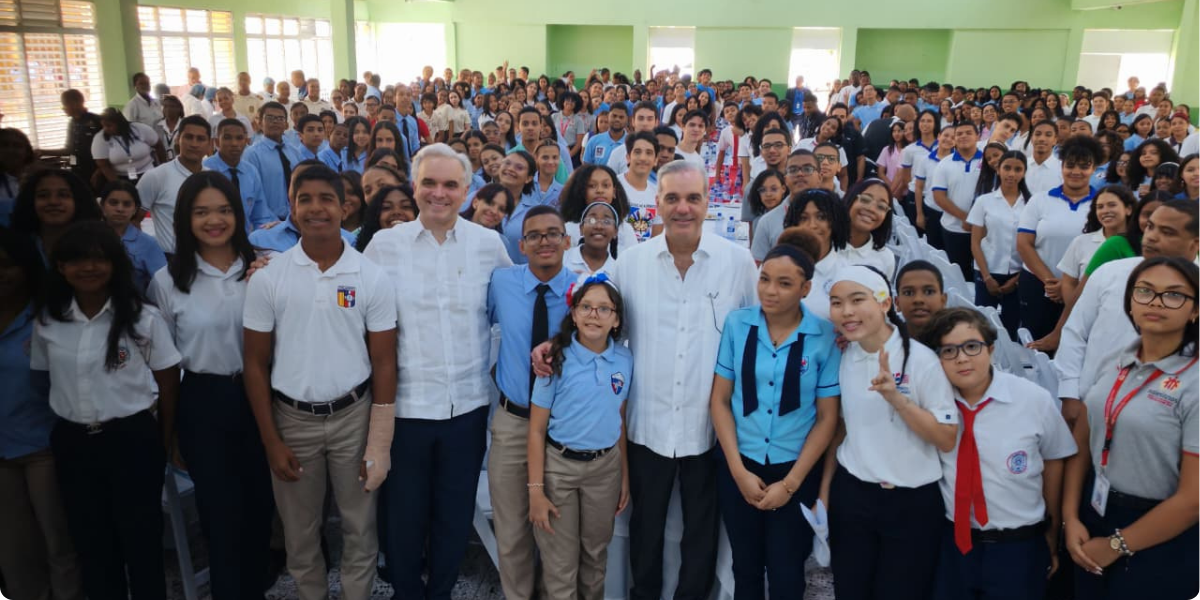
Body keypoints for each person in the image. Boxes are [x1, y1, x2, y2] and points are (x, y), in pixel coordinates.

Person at [535, 159, 757, 600]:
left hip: (708, 427)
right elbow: (592, 313)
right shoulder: (631, 263)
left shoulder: (736, 263)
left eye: (692, 198)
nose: (682, 208)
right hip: (646, 427)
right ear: (656, 204)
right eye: (672, 198)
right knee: (646, 529)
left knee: (701, 532)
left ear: (707, 203)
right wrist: (552, 345)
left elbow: (757, 329)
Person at [363, 144, 513, 600]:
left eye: (450, 184)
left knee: (453, 516)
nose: (439, 193)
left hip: (466, 407)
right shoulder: (384, 246)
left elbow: (516, 303)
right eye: (429, 183)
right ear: (414, 187)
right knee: (404, 519)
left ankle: (442, 592)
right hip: (405, 409)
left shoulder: (488, 244)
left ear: (467, 191)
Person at [243, 165, 398, 600]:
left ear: (344, 206)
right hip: (292, 420)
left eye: (326, 199)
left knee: (360, 527)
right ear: (291, 209)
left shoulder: (370, 276)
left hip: (355, 417)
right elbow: (255, 364)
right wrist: (271, 440)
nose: (316, 208)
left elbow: (384, 361)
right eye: (304, 199)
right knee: (300, 532)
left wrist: (379, 441)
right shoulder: (269, 278)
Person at [32, 221, 181, 600]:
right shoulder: (49, 320)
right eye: (77, 260)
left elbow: (167, 382)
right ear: (61, 267)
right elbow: (43, 380)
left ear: (114, 264)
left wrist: (161, 440)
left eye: (99, 259)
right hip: (74, 442)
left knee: (142, 544)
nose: (89, 267)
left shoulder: (141, 318)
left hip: (130, 439)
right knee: (93, 546)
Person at [146, 172, 273, 600]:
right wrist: (173, 428)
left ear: (237, 214)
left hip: (261, 400)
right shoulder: (168, 282)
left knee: (260, 509)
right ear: (185, 219)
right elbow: (162, 365)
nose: (214, 220)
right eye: (201, 212)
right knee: (219, 516)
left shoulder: (264, 268)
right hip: (203, 402)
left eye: (223, 210)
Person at [709, 242, 841, 600]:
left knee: (786, 571)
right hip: (742, 464)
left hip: (795, 468)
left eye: (784, 283)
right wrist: (738, 471)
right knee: (745, 566)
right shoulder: (739, 325)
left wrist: (792, 483)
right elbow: (720, 400)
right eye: (764, 279)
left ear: (805, 289)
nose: (770, 290)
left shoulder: (823, 336)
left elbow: (828, 418)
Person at [1063, 257, 1198, 600]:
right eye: (1145, 291)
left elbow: (1193, 500)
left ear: (1195, 311)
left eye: (1174, 295)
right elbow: (1085, 437)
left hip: (1158, 533)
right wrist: (1070, 517)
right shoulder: (1119, 363)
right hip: (1093, 513)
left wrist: (1116, 545)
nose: (1155, 302)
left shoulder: (1194, 382)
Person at [823, 265, 958, 600]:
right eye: (837, 303)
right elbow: (841, 429)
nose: (847, 312)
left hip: (911, 504)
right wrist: (825, 492)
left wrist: (897, 400)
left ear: (884, 304)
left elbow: (945, 437)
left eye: (857, 300)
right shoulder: (844, 355)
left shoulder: (922, 361)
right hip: (853, 496)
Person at [921, 308, 1076, 600]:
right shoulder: (931, 404)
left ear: (990, 349)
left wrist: (1053, 528)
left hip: (1018, 544)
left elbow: (1055, 459)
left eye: (971, 346)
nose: (962, 358)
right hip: (954, 541)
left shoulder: (1033, 400)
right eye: (949, 351)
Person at [486, 205, 574, 600]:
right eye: (535, 235)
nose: (544, 241)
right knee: (511, 531)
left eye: (553, 233)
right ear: (521, 245)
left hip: (562, 427)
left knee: (556, 532)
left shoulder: (583, 292)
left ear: (567, 241)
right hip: (512, 421)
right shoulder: (501, 283)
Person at [528, 274, 632, 600]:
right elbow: (535, 429)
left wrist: (624, 476)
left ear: (616, 320)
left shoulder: (624, 361)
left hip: (605, 470)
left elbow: (619, 419)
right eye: (586, 306)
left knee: (595, 557)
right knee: (560, 566)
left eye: (604, 309)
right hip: (559, 469)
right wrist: (535, 491)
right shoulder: (554, 360)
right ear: (573, 314)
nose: (593, 315)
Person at [0, 226, 84, 600]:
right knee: (14, 552)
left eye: (6, 265)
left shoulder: (48, 317)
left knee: (59, 542)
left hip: (43, 447)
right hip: (2, 453)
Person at [1016, 135, 1102, 342]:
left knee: (1074, 346)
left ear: (1094, 169)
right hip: (1039, 285)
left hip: (1084, 291)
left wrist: (1068, 286)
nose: (1076, 171)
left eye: (1084, 166)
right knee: (1035, 344)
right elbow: (1024, 244)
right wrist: (1050, 282)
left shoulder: (1102, 204)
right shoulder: (1040, 200)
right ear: (1061, 166)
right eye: (1070, 165)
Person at [967, 150, 1031, 338]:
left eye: (1018, 169)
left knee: (1011, 328)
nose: (1011, 174)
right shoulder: (984, 201)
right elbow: (975, 242)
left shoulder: (1031, 203)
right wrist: (986, 277)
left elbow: (1033, 245)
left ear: (1024, 173)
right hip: (988, 270)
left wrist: (1018, 278)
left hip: (1017, 274)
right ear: (998, 170)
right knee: (982, 326)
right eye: (1007, 168)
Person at [136, 115, 211, 255]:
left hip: (208, 258)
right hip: (170, 260)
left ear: (209, 144)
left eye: (200, 139)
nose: (194, 144)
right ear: (178, 139)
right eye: (189, 137)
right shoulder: (156, 177)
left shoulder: (213, 178)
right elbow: (134, 220)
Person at [780, 189, 850, 320]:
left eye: (821, 217)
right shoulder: (776, 264)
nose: (812, 225)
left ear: (835, 222)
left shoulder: (847, 273)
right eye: (803, 218)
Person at [10, 170, 103, 261]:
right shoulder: (12, 247)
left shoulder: (99, 247)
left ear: (79, 201)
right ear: (30, 201)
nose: (53, 202)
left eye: (63, 195)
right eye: (43, 195)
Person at [931, 121, 984, 280]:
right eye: (959, 134)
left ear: (977, 136)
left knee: (981, 273)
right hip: (954, 229)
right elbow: (939, 197)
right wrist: (965, 218)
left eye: (968, 132)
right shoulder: (944, 164)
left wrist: (977, 222)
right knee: (960, 274)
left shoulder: (988, 161)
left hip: (984, 231)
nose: (963, 136)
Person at [204, 118, 275, 234]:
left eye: (239, 138)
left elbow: (260, 215)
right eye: (227, 138)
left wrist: (259, 240)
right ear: (216, 142)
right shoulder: (205, 170)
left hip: (246, 242)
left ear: (246, 141)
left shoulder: (251, 172)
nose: (234, 143)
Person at [749, 150, 820, 262]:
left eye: (807, 169)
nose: (800, 174)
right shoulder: (767, 221)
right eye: (793, 170)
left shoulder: (833, 216)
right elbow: (757, 266)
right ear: (786, 180)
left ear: (819, 177)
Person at [97, 181, 165, 294]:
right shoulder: (89, 238)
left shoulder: (148, 244)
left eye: (127, 204)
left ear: (135, 209)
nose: (120, 209)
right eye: (113, 203)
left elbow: (163, 284)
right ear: (102, 206)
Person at [244, 101, 302, 221]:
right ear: (260, 123)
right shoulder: (252, 154)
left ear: (286, 124)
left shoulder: (295, 152)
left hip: (296, 219)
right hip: (266, 222)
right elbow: (251, 194)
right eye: (270, 118)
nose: (275, 121)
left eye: (280, 118)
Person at [842, 178, 896, 281]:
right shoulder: (823, 243)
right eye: (865, 200)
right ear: (851, 199)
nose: (871, 209)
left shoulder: (885, 258)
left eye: (881, 207)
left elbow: (881, 295)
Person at [92, 108, 163, 185]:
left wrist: (163, 168)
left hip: (148, 172)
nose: (106, 129)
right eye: (103, 126)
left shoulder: (140, 129)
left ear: (119, 123)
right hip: (120, 177)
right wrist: (117, 184)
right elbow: (103, 165)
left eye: (109, 126)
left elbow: (159, 146)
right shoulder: (100, 138)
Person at [894, 259, 948, 341]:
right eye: (908, 293)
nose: (918, 299)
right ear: (897, 303)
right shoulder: (886, 344)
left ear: (943, 300)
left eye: (929, 292)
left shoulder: (955, 343)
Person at [564, 202, 619, 275]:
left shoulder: (618, 271)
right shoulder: (563, 259)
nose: (599, 226)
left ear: (615, 232)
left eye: (606, 222)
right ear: (581, 229)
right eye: (591, 220)